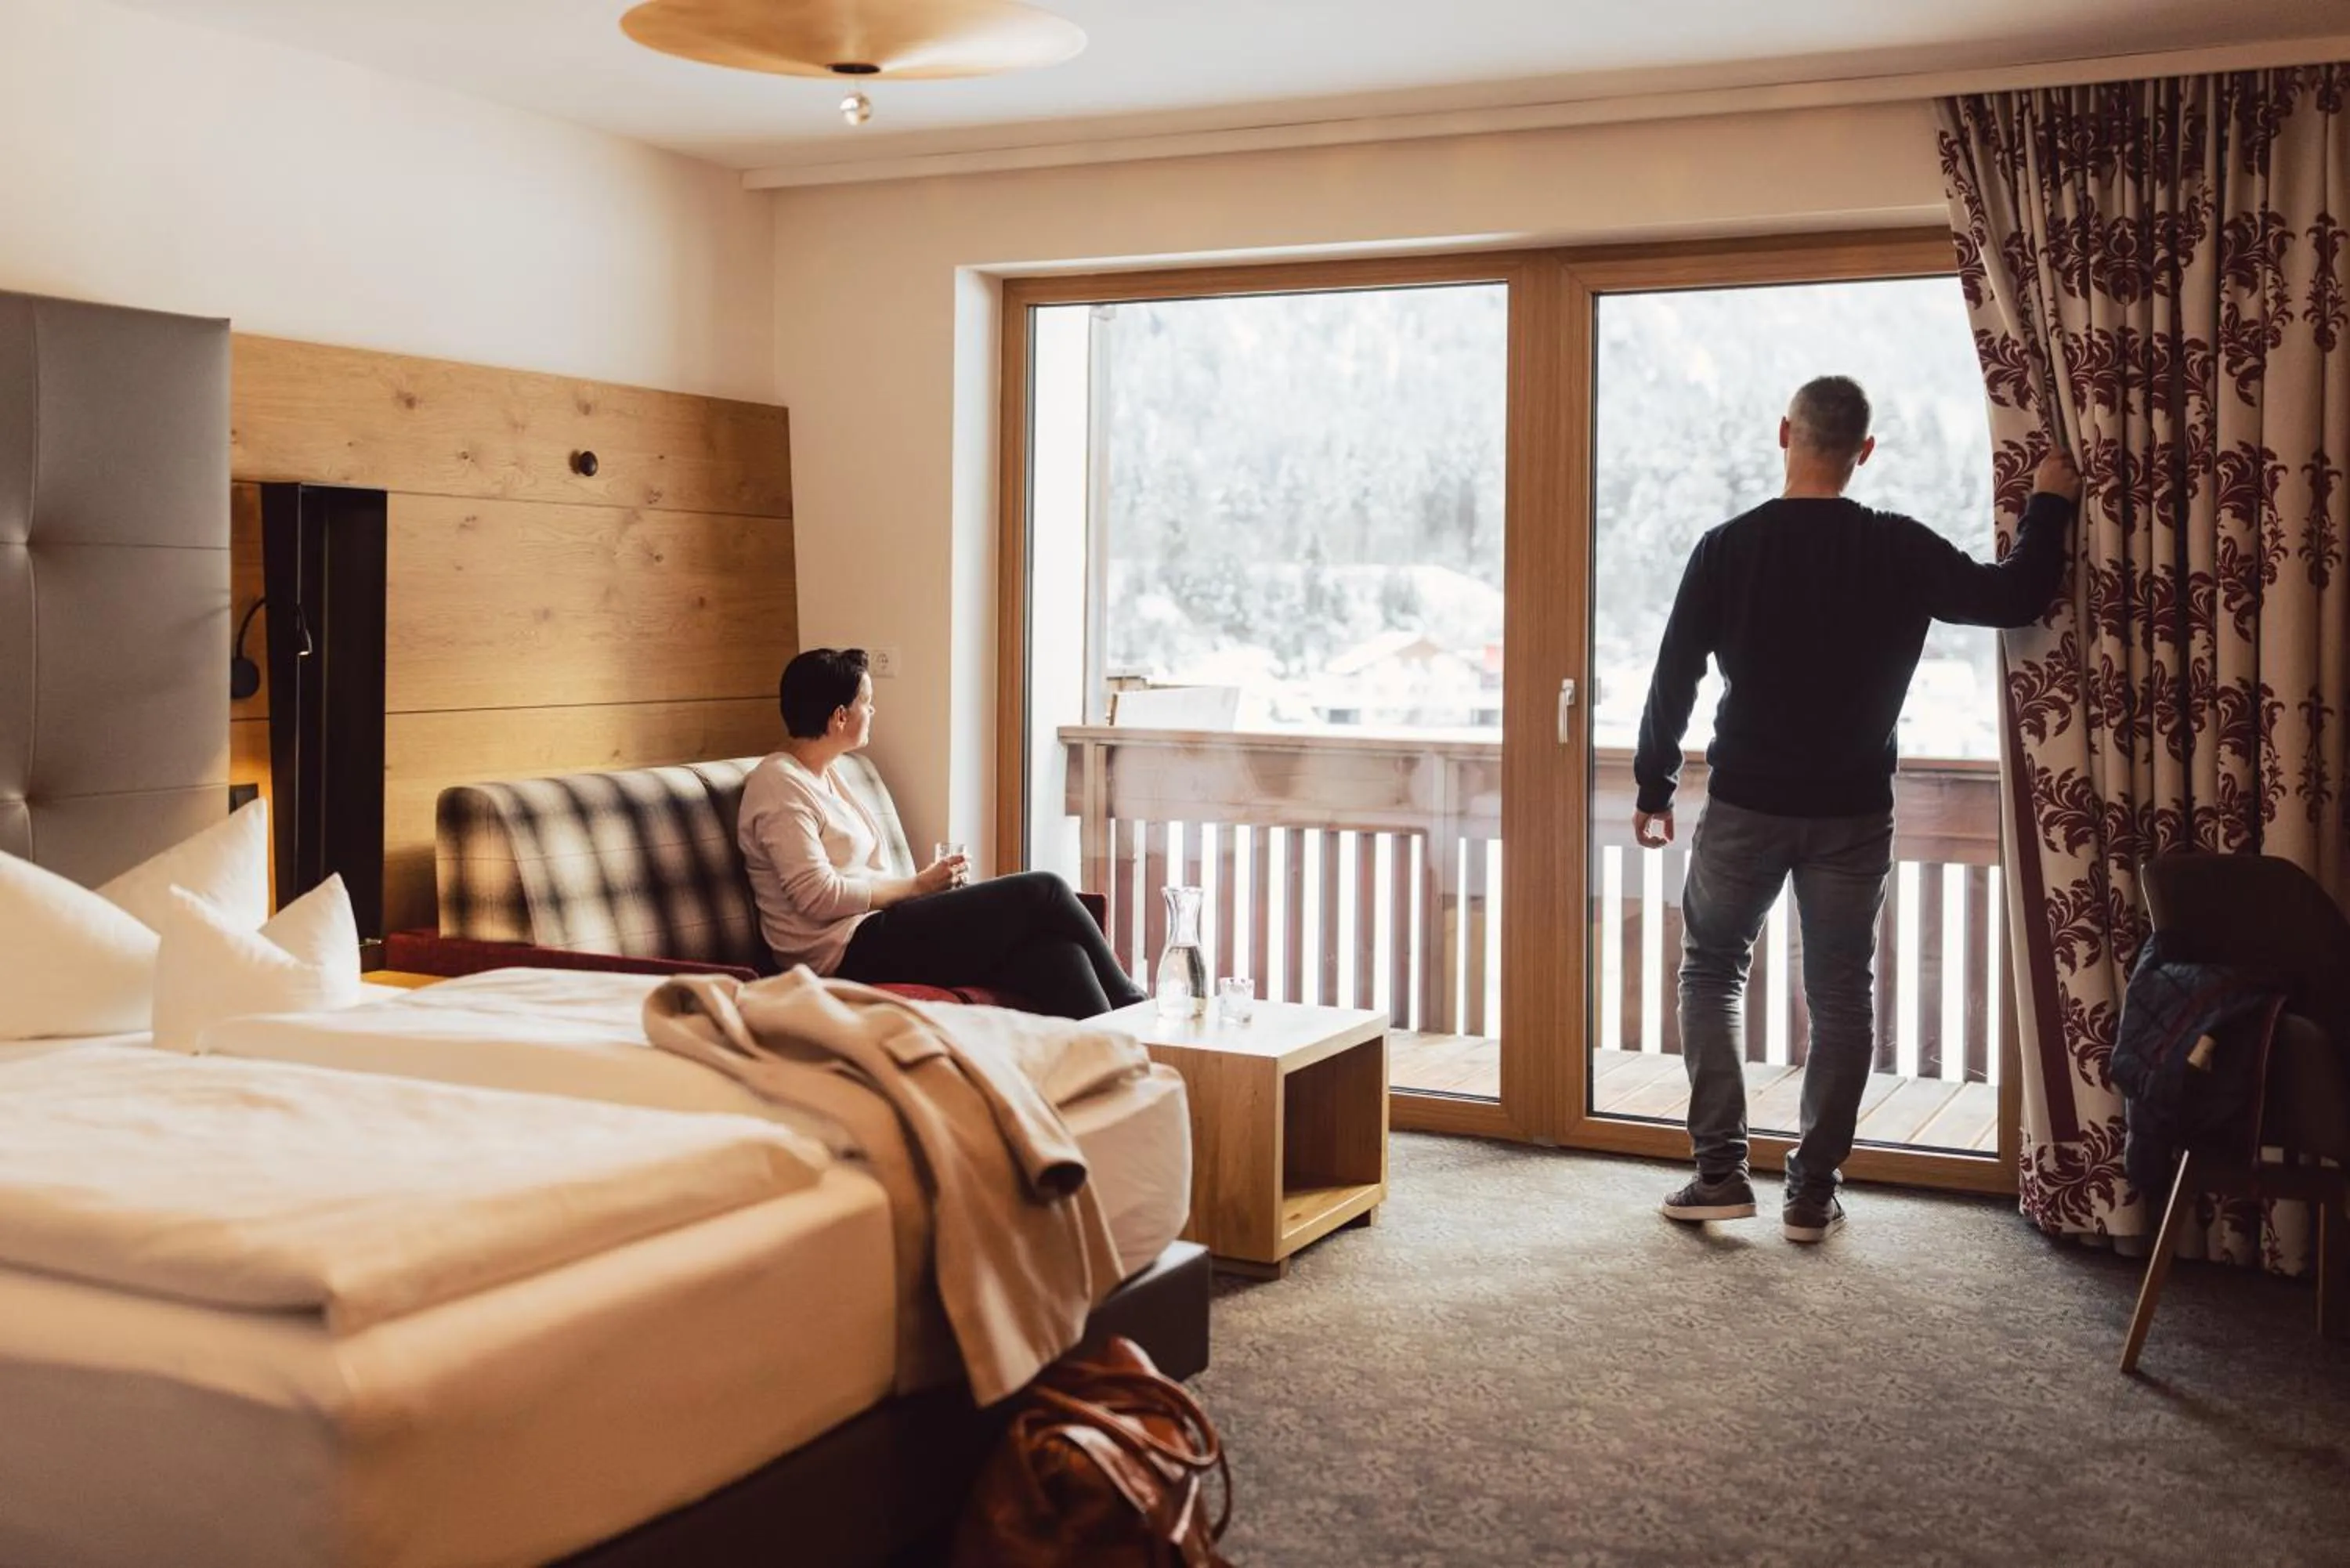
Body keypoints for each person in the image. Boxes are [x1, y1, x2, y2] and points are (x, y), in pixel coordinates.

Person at [1634, 375, 2080, 1243]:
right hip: (1850, 812)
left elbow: (1674, 675)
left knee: (1711, 970)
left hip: (1745, 806)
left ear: (1784, 434)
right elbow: (2012, 597)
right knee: (1840, 993)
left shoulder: (1728, 547)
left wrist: (1654, 786)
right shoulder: (1895, 547)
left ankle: (1720, 1174)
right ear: (1863, 451)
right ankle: (1810, 1194)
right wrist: (2050, 506)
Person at [737, 647, 1148, 1019]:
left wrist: (927, 888)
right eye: (868, 702)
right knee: (1046, 891)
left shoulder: (832, 774)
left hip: (875, 929)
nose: (874, 711)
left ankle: (1129, 1064)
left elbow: (860, 875)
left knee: (1058, 957)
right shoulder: (778, 784)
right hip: (840, 953)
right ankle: (1135, 1006)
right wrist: (917, 887)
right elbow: (816, 896)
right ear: (840, 716)